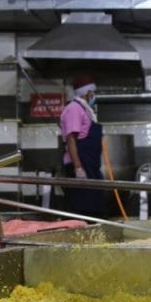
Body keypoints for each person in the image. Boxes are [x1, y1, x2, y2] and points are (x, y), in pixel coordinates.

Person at [59, 75, 106, 217]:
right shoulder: (74, 109)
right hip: (81, 165)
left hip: (90, 164)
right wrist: (78, 168)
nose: (94, 95)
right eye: (93, 92)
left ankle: (95, 234)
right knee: (83, 207)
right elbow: (71, 139)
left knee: (95, 204)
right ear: (88, 93)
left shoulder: (86, 110)